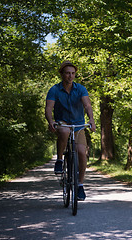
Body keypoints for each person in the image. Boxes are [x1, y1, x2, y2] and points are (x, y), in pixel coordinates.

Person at [45, 60, 96, 201]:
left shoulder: (80, 89)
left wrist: (91, 119)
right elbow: (49, 109)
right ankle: (60, 160)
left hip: (78, 125)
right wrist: (51, 122)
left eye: (73, 73)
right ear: (62, 74)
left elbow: (87, 105)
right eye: (67, 73)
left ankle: (80, 185)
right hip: (62, 122)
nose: (70, 76)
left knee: (81, 152)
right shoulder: (54, 89)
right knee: (64, 131)